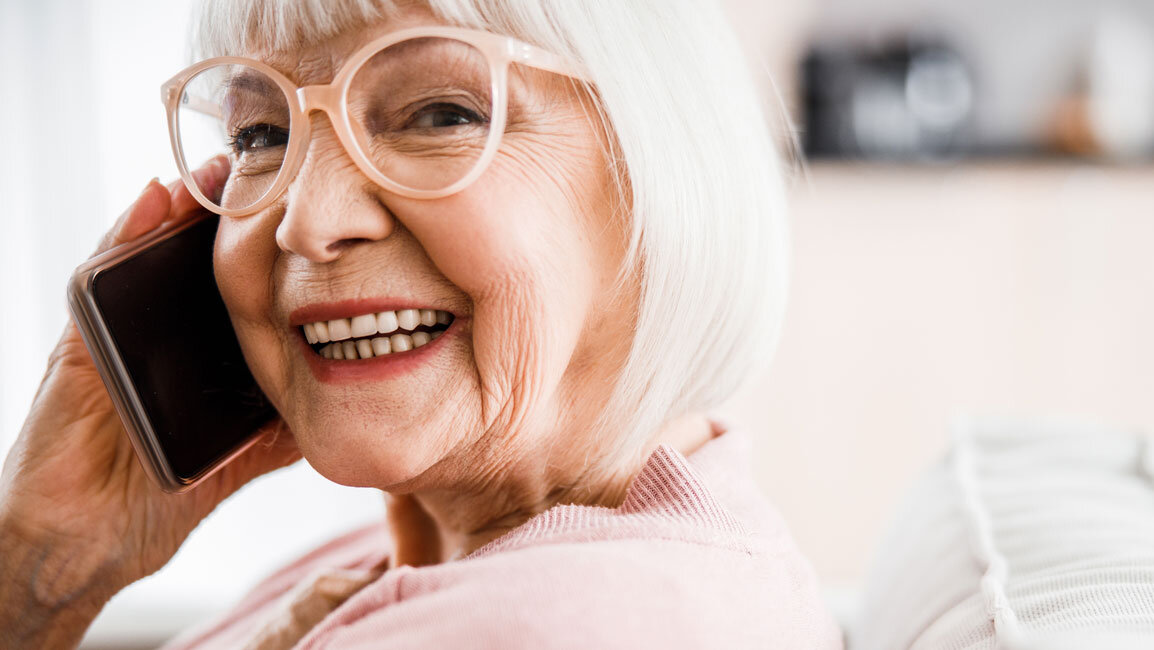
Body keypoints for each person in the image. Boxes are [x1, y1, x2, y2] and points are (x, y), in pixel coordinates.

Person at [0, 0, 842, 647]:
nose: (305, 221)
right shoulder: (410, 554)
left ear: (662, 171)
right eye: (261, 132)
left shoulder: (560, 622)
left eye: (441, 114)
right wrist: (48, 559)